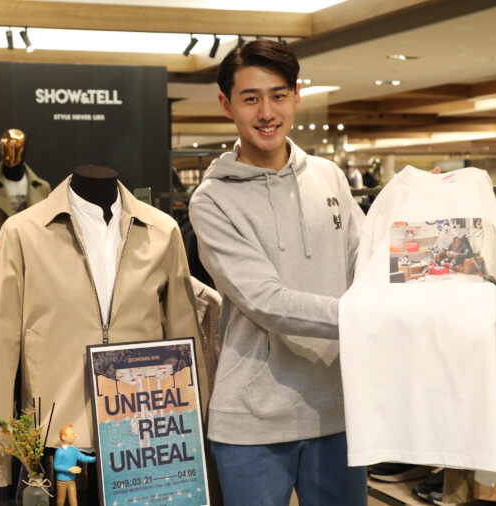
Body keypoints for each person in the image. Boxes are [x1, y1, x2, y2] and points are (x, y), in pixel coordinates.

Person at [188, 39, 366, 505]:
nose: (267, 112)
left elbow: (365, 261)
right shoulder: (212, 200)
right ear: (227, 105)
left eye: (278, 95)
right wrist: (360, 317)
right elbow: (265, 300)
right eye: (251, 98)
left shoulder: (329, 177)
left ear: (296, 96)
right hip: (253, 422)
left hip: (340, 410)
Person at [54, 423, 96, 506]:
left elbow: (84, 458)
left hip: (72, 481)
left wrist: (97, 458)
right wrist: (69, 469)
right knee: (61, 501)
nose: (75, 435)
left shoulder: (75, 450)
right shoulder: (59, 451)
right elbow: (56, 466)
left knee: (73, 500)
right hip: (61, 482)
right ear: (63, 437)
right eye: (72, 433)